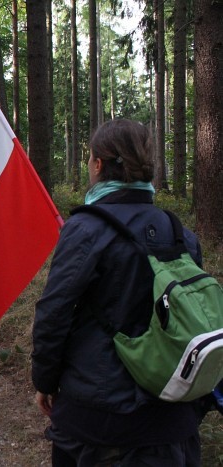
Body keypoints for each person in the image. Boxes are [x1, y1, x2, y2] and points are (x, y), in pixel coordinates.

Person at [31, 119, 205, 466]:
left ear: (97, 164)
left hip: (101, 421)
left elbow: (54, 312)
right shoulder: (179, 232)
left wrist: (45, 380)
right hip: (171, 417)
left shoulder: (86, 228)